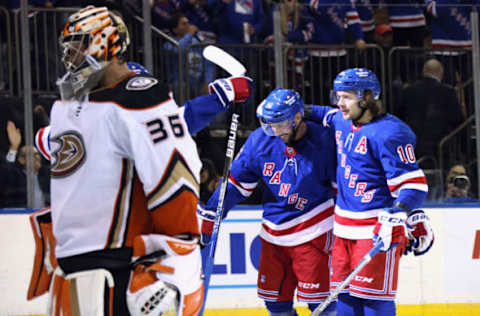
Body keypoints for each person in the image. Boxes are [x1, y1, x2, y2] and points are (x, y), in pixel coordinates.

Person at [37, 5, 252, 315]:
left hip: (122, 260)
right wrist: (221, 97)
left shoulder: (86, 119)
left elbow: (172, 125)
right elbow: (179, 120)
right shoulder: (97, 115)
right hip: (102, 259)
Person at [198, 88, 338, 315]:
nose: (274, 131)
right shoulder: (261, 141)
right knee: (275, 302)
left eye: (280, 125)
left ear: (298, 118)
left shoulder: (324, 140)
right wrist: (214, 211)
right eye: (269, 124)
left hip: (315, 232)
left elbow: (342, 190)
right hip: (273, 233)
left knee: (322, 304)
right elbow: (236, 184)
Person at [307, 68, 434, 315]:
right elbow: (318, 112)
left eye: (346, 97)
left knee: (373, 300)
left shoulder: (391, 133)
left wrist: (399, 213)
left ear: (366, 98)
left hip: (376, 230)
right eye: (338, 96)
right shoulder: (340, 120)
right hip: (342, 229)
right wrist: (288, 105)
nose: (339, 104)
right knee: (344, 299)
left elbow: (414, 185)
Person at [397, 58, 465, 169]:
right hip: (440, 147)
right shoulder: (448, 92)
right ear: (441, 74)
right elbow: (458, 120)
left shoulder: (408, 91)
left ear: (424, 72)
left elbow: (398, 117)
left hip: (413, 146)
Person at [0, 121, 49, 208]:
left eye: (37, 154)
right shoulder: (16, 176)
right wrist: (14, 147)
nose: (36, 157)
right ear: (21, 160)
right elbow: (5, 174)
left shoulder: (47, 175)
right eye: (31, 154)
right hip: (21, 217)